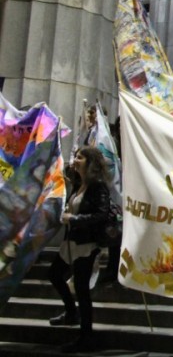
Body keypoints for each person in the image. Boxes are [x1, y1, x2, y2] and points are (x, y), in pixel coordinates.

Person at [48, 146, 110, 353]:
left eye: (80, 157)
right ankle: (71, 312)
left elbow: (101, 215)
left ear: (90, 162)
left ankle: (86, 336)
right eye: (75, 156)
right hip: (71, 242)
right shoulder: (78, 185)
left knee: (82, 290)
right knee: (55, 275)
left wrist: (74, 218)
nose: (75, 160)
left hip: (86, 245)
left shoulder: (98, 186)